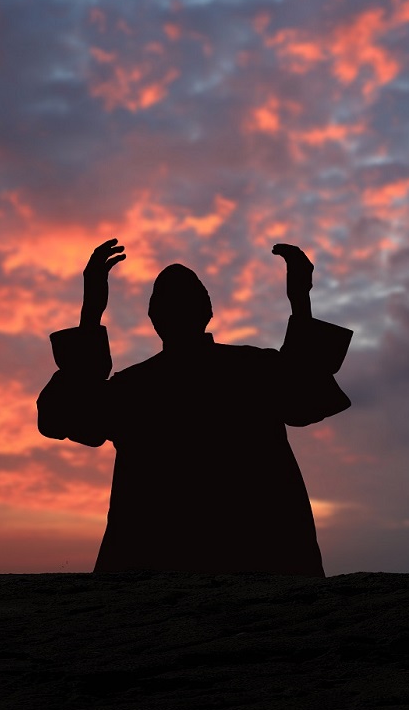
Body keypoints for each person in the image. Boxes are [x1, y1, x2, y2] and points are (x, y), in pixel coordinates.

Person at [37, 239, 353, 576]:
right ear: (207, 311)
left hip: (157, 563)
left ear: (153, 318)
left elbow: (67, 414)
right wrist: (300, 300)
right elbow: (308, 395)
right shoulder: (254, 370)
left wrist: (91, 312)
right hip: (262, 555)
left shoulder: (134, 388)